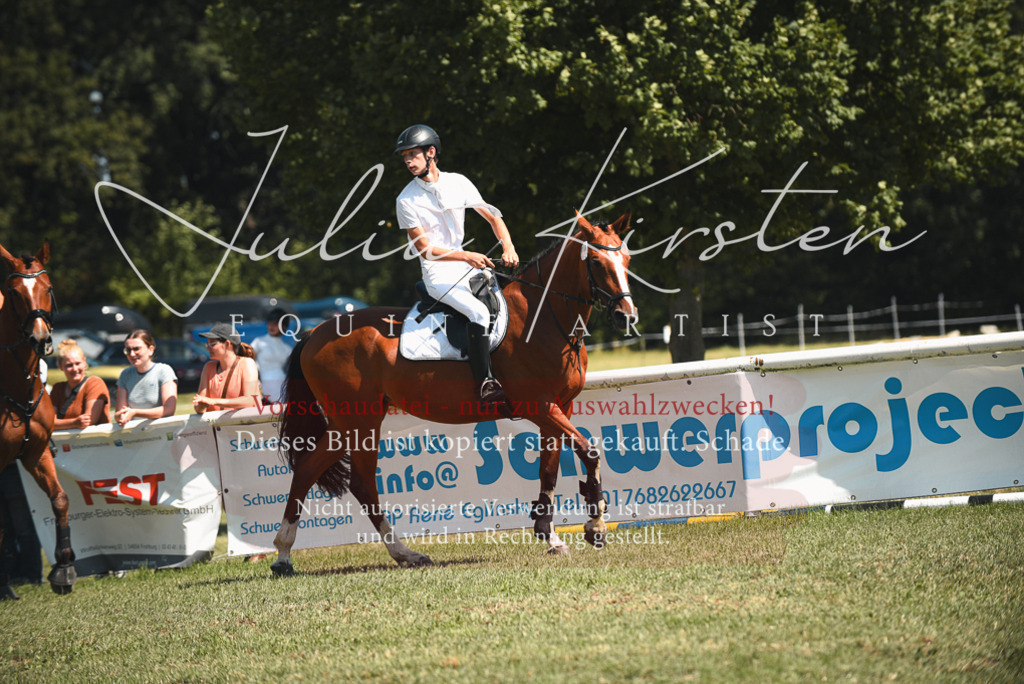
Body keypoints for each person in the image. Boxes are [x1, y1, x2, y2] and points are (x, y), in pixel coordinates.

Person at [394, 124, 520, 403]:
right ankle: (485, 384)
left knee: (509, 301)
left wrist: (508, 245)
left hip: (466, 266)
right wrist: (466, 255)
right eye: (404, 156)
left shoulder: (458, 182)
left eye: (412, 154)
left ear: (431, 152)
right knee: (477, 313)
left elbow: (492, 216)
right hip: (438, 274)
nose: (407, 160)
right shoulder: (405, 200)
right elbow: (425, 250)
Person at [192, 322, 263, 413]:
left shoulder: (247, 363)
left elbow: (249, 401)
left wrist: (213, 401)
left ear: (227, 344)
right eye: (207, 344)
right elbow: (199, 406)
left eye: (212, 344)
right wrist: (201, 406)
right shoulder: (208, 367)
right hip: (218, 427)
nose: (208, 348)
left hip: (245, 426)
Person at [114, 330, 177, 425]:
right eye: (128, 350)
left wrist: (135, 412)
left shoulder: (164, 371)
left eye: (136, 349)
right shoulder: (125, 374)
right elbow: (119, 412)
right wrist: (121, 416)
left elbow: (169, 409)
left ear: (150, 350)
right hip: (134, 436)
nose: (132, 354)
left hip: (161, 433)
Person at [50, 339, 111, 429]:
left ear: (84, 362)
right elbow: (49, 422)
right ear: (60, 366)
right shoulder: (57, 388)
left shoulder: (95, 383)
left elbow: (89, 421)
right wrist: (74, 422)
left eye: (78, 363)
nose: (75, 369)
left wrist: (61, 424)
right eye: (69, 365)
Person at [250, 308, 292, 403]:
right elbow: (247, 361)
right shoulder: (259, 342)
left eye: (275, 324)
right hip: (263, 384)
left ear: (284, 326)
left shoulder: (287, 349)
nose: (271, 326)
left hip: (283, 387)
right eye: (270, 323)